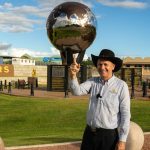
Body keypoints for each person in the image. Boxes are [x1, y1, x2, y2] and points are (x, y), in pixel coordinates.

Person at [69, 49, 131, 150]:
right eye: (99, 64)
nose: (102, 67)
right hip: (89, 134)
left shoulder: (121, 86)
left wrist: (122, 140)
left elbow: (125, 114)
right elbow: (76, 91)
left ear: (113, 66)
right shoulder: (93, 81)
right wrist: (73, 75)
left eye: (105, 64)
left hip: (108, 137)